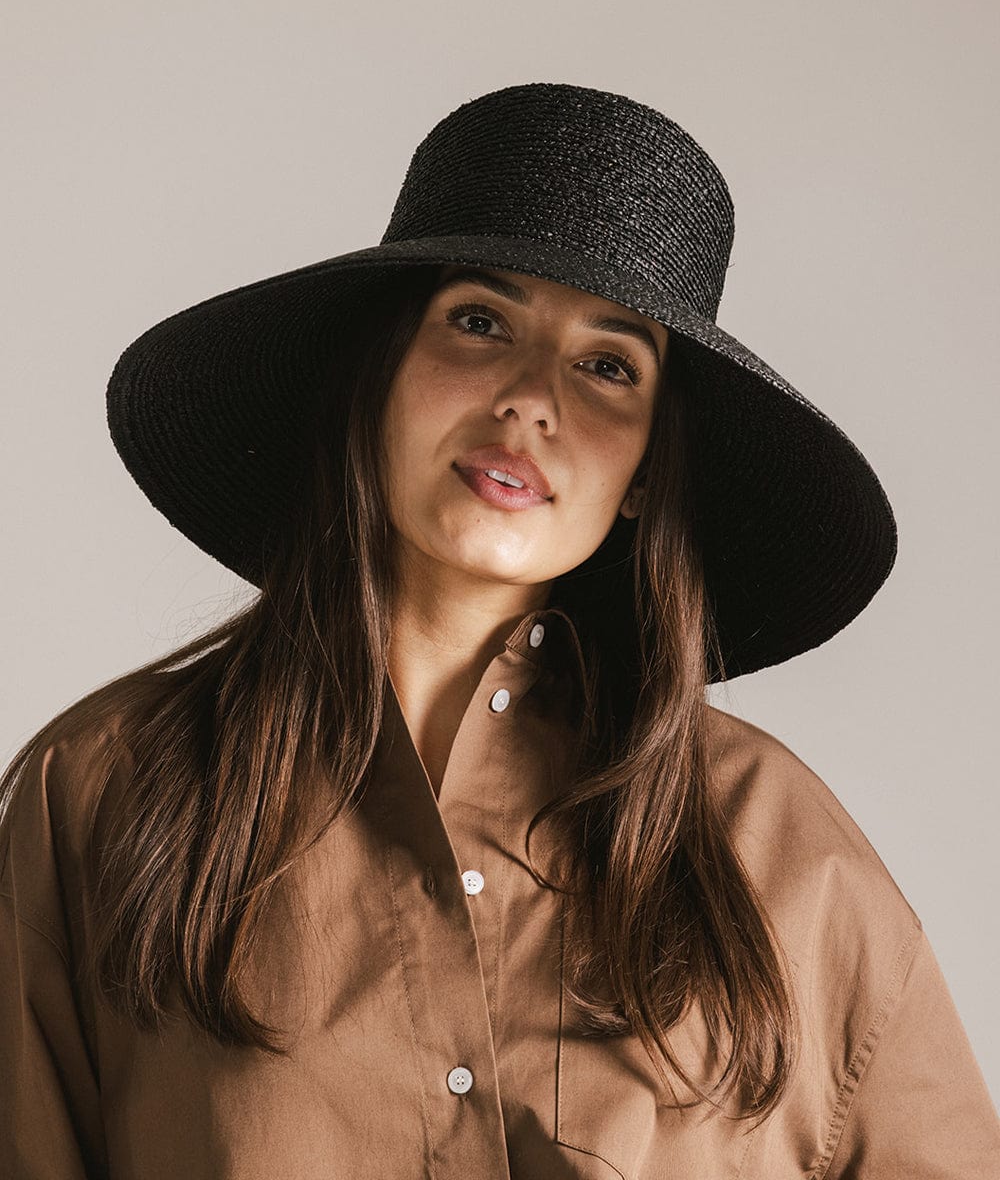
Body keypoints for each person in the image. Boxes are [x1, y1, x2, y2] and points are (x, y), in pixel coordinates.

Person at [1, 81, 997, 1179]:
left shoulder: (781, 857)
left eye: (608, 365)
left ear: (643, 474)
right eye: (480, 321)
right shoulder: (98, 797)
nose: (531, 399)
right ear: (377, 373)